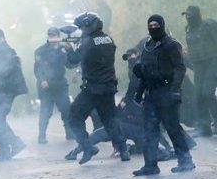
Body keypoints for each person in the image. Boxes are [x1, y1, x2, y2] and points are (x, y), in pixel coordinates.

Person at [65, 47, 196, 161]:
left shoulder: (143, 74)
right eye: (127, 58)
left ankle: (175, 150)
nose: (130, 60)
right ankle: (173, 150)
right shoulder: (136, 76)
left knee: (111, 130)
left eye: (132, 56)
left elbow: (135, 99)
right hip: (141, 126)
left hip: (142, 125)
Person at [132, 14, 195, 176]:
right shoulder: (148, 46)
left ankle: (186, 160)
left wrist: (175, 89)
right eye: (150, 25)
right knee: (149, 130)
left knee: (172, 127)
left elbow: (180, 68)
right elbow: (145, 72)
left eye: (156, 25)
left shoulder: (171, 45)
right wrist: (139, 92)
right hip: (151, 93)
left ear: (162, 25)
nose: (153, 28)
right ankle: (150, 165)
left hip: (167, 91)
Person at [65, 12, 130, 165]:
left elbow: (73, 61)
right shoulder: (108, 39)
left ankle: (87, 146)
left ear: (89, 25)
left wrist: (69, 50)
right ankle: (123, 150)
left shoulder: (87, 42)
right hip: (108, 86)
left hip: (93, 87)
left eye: (82, 27)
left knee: (74, 116)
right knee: (110, 120)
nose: (81, 30)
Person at [0, 28, 27, 162]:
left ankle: (6, 148)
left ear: (3, 38)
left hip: (5, 91)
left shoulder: (7, 52)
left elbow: (4, 71)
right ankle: (11, 145)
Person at [34, 27, 75, 144]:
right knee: (45, 111)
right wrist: (42, 80)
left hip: (60, 84)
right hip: (46, 86)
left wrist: (71, 51)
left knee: (66, 109)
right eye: (50, 35)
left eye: (55, 35)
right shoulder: (40, 51)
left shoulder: (63, 49)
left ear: (58, 36)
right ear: (48, 36)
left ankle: (69, 133)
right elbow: (37, 68)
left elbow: (70, 65)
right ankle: (41, 135)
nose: (53, 38)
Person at [182, 5, 217, 136]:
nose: (188, 17)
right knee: (198, 96)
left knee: (207, 93)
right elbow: (192, 51)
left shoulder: (208, 25)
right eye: (186, 15)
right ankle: (205, 128)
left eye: (190, 15)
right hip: (199, 66)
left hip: (212, 63)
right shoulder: (188, 30)